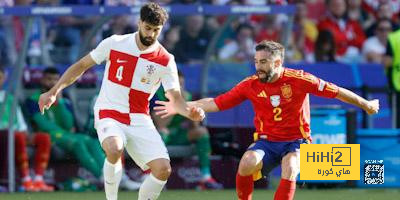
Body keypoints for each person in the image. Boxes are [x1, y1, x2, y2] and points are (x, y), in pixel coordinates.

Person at [154, 40, 380, 200]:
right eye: (256, 61)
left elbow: (337, 91)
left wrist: (366, 105)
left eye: (263, 62)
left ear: (278, 62)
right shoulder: (250, 84)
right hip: (267, 140)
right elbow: (217, 102)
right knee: (246, 163)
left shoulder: (300, 79)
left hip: (297, 140)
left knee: (290, 166)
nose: (258, 67)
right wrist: (182, 106)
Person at [37, 3, 204, 200]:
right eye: (148, 28)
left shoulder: (166, 60)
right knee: (114, 148)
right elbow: (82, 65)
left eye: (156, 30)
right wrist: (54, 91)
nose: (151, 34)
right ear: (139, 22)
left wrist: (189, 112)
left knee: (163, 170)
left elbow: (175, 98)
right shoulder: (115, 43)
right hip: (109, 111)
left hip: (139, 118)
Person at [152, 71, 223, 190]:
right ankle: (156, 178)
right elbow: (161, 124)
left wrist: (192, 112)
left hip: (178, 135)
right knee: (163, 132)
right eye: (176, 84)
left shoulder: (186, 96)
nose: (179, 88)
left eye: (182, 84)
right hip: (159, 136)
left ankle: (205, 178)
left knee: (201, 132)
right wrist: (174, 103)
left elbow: (194, 126)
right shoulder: (157, 95)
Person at [0, 67, 53, 192]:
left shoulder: (10, 97)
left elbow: (18, 118)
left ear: (4, 78)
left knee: (43, 137)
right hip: (4, 134)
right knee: (16, 136)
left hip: (15, 132)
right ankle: (26, 180)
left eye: (0, 77)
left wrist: (24, 130)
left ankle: (39, 179)